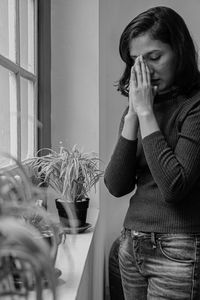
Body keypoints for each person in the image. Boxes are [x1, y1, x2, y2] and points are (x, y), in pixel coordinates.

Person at [104, 6, 200, 300]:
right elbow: (116, 186)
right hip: (131, 242)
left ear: (179, 52)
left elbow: (174, 186)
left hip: (179, 248)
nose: (145, 70)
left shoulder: (194, 107)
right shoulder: (139, 109)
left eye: (154, 57)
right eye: (136, 61)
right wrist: (133, 116)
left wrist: (145, 112)